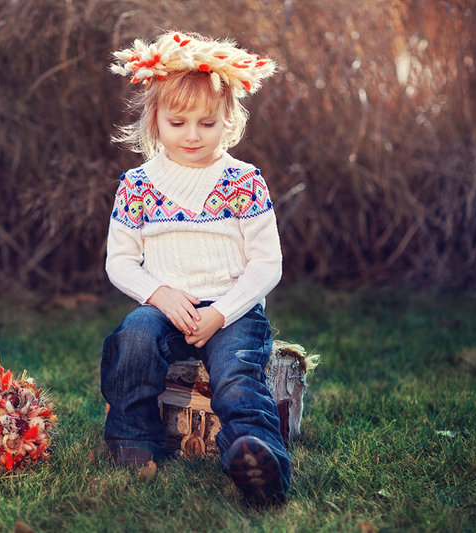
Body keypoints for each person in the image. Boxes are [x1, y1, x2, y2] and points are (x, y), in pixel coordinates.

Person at [101, 31, 289, 506]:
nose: (191, 135)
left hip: (231, 310)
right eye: (178, 121)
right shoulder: (138, 184)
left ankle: (256, 454)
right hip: (166, 306)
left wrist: (223, 312)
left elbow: (266, 263)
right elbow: (120, 260)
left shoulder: (243, 181)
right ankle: (132, 439)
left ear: (228, 121)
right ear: (155, 120)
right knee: (134, 337)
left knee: (237, 374)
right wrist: (159, 293)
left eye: (206, 123)